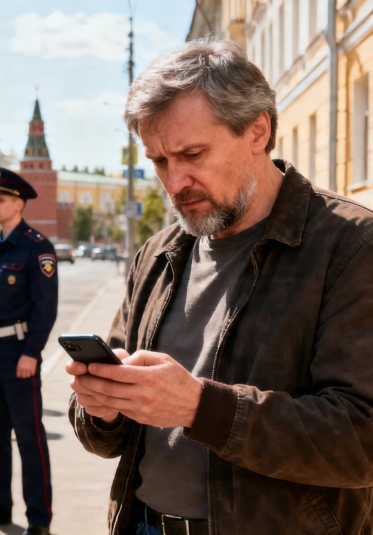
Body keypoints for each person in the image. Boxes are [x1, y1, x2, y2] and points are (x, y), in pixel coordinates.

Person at [66, 36, 373, 534]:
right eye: (160, 161)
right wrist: (101, 410)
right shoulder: (158, 253)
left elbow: (361, 439)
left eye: (192, 153)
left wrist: (198, 406)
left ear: (257, 130)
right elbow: (109, 435)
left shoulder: (352, 245)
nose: (175, 181)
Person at [0, 167, 58, 535]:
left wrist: (31, 352)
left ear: (18, 204)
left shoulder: (36, 247)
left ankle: (38, 519)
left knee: (29, 435)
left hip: (18, 352)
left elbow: (44, 306)